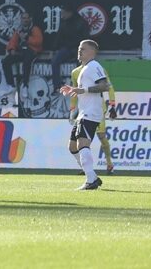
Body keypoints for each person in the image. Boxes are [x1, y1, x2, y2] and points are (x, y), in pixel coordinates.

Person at [60, 39, 111, 190]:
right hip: (83, 113)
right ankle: (92, 176)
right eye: (79, 48)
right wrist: (74, 89)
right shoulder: (84, 68)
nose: (79, 51)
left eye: (83, 49)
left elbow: (105, 86)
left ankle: (90, 180)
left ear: (92, 52)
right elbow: (85, 89)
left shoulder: (94, 66)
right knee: (72, 147)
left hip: (91, 112)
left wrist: (84, 90)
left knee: (83, 144)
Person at [68, 58, 117, 175]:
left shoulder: (98, 68)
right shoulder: (75, 72)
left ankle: (109, 164)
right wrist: (72, 109)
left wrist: (112, 105)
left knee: (101, 137)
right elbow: (74, 92)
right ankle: (86, 169)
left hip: (98, 110)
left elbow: (108, 86)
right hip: (83, 111)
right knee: (77, 142)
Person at [3, 12, 43, 97]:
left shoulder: (34, 29)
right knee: (6, 61)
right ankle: (11, 85)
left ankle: (25, 86)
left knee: (27, 61)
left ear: (30, 19)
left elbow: (38, 42)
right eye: (23, 18)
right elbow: (12, 41)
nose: (25, 20)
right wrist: (12, 49)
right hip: (21, 52)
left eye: (26, 18)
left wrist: (27, 38)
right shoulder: (19, 30)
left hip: (32, 51)